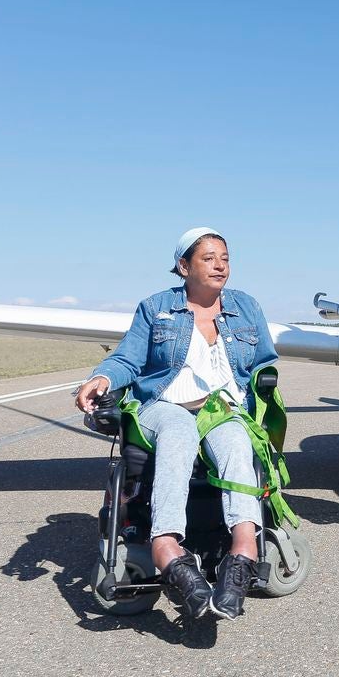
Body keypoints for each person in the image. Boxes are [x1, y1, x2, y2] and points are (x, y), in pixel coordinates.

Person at [74, 228, 279, 621]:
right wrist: (101, 378)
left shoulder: (247, 307)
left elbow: (261, 364)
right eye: (208, 258)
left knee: (237, 441)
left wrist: (254, 400)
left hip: (220, 408)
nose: (220, 264)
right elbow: (127, 360)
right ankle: (167, 546)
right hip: (163, 404)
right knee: (179, 429)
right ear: (184, 266)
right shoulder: (156, 308)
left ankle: (243, 554)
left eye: (225, 257)